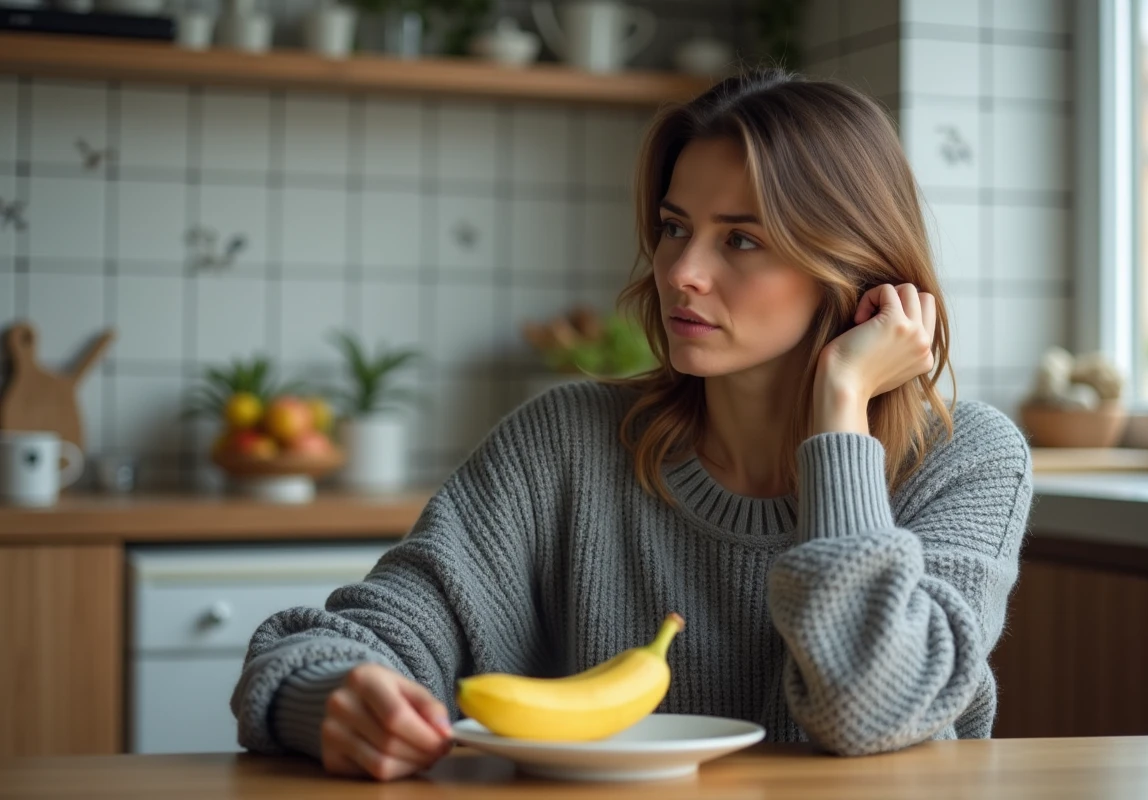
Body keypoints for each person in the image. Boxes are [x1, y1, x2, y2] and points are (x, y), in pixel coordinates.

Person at [231, 68, 1032, 781]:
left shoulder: (967, 460)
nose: (680, 272)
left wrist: (840, 413)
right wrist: (330, 699)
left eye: (742, 240)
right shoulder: (565, 442)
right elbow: (337, 643)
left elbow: (873, 712)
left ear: (853, 269)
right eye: (677, 227)